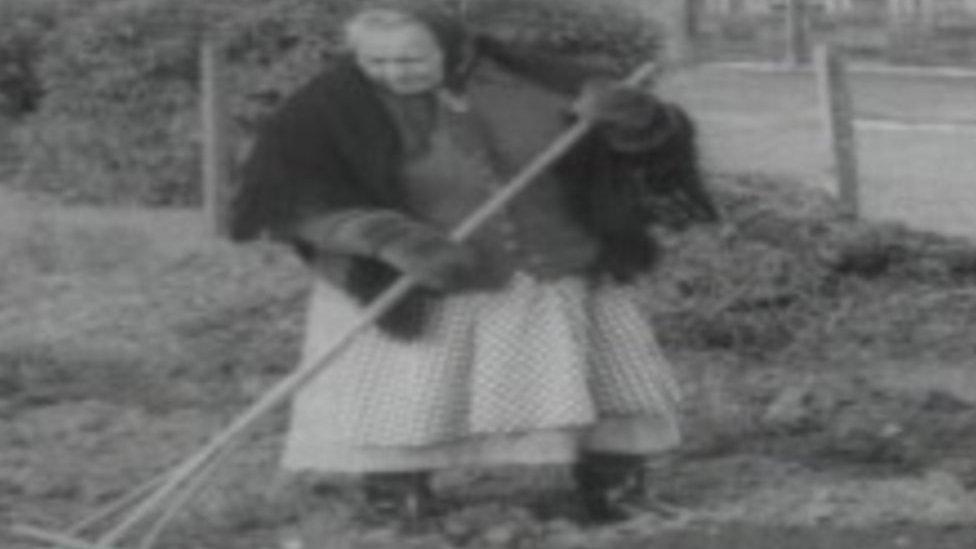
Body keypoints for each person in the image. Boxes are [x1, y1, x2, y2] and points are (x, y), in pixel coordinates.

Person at [230, 0, 718, 525]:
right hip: (420, 276)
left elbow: (645, 146)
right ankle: (399, 502)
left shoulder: (536, 78)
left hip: (555, 260)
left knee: (614, 381)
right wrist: (388, 238)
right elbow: (292, 199)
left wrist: (639, 120)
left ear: (453, 48)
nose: (392, 74)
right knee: (406, 390)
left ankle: (617, 491)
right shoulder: (325, 106)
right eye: (375, 62)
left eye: (410, 60)